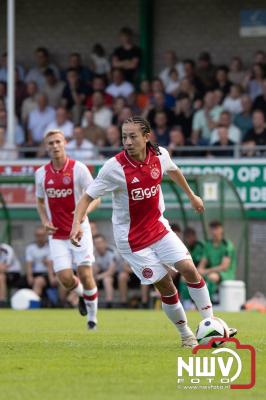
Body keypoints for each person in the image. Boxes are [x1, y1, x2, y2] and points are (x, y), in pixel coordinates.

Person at [70, 116, 237, 347]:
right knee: (166, 285)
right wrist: (77, 223)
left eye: (133, 136)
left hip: (158, 228)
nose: (127, 141)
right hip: (133, 241)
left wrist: (191, 196)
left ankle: (212, 323)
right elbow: (87, 196)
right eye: (124, 137)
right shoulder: (113, 168)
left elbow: (174, 170)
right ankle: (186, 335)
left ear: (146, 137)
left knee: (189, 268)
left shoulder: (160, 155)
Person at [35, 129, 100, 330]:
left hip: (79, 230)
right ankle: (82, 295)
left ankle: (92, 319)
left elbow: (96, 197)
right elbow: (39, 201)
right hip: (56, 234)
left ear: (65, 144)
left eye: (58, 142)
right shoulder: (41, 174)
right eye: (51, 143)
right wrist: (45, 220)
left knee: (85, 273)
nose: (55, 146)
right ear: (46, 147)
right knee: (64, 278)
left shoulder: (79, 169)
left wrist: (80, 218)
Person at [198, 221, 236, 302]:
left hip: (226, 274)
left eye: (216, 229)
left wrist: (206, 271)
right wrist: (199, 271)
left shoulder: (227, 245)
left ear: (221, 230)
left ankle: (209, 303)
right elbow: (202, 264)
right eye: (212, 229)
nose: (214, 231)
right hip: (210, 272)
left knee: (212, 277)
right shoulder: (208, 245)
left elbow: (224, 267)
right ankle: (189, 303)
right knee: (187, 278)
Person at [25, 226, 55, 299]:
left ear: (45, 236)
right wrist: (29, 276)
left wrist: (51, 278)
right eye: (38, 235)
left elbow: (50, 264)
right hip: (35, 274)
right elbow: (29, 264)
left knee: (38, 281)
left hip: (48, 274)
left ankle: (33, 302)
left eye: (42, 235)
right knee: (20, 283)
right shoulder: (30, 248)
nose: (40, 238)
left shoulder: (51, 247)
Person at [0, 243, 22, 307]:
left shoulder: (7, 249)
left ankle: (2, 302)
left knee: (1, 277)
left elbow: (3, 268)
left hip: (13, 273)